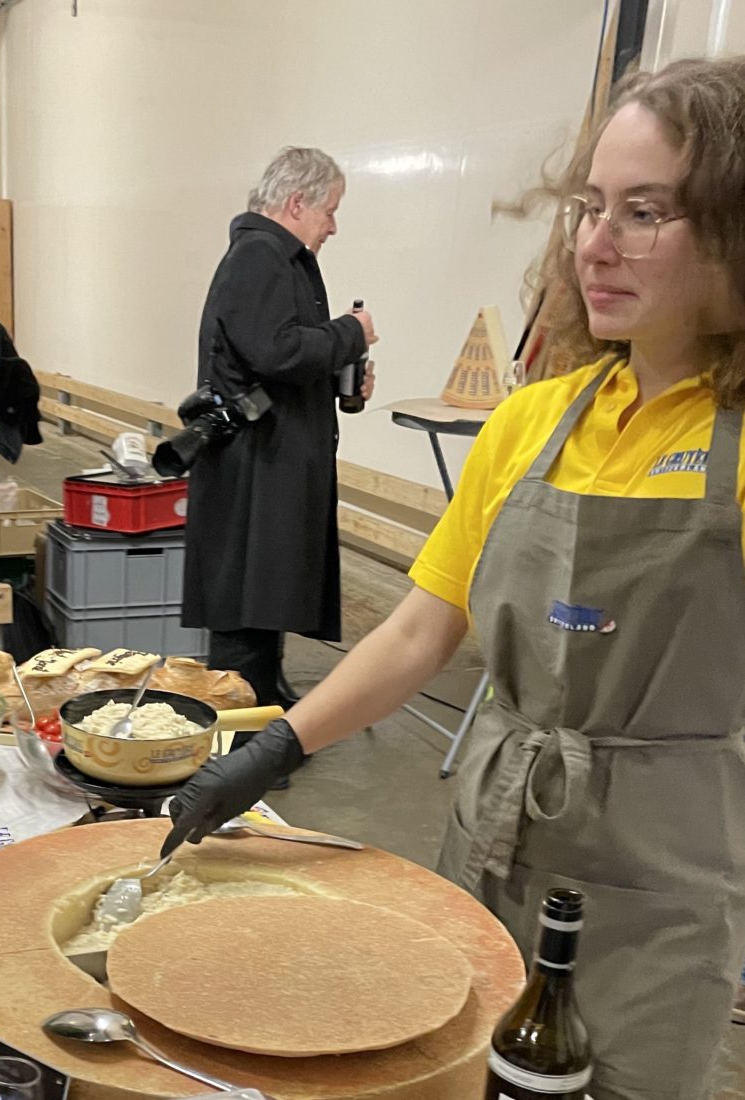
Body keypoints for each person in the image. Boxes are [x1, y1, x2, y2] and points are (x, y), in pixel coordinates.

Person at [164, 56, 745, 1100]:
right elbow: (418, 632)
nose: (595, 244)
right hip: (489, 840)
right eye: (589, 207)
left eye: (645, 212)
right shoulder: (529, 422)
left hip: (653, 888)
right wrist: (266, 751)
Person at [179, 147, 378, 755]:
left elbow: (279, 359)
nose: (334, 226)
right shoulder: (259, 256)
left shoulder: (274, 257)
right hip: (251, 470)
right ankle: (238, 752)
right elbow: (278, 352)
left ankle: (261, 719)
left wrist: (345, 383)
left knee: (262, 603)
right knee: (245, 608)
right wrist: (351, 332)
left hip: (271, 464)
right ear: (297, 203)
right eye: (330, 210)